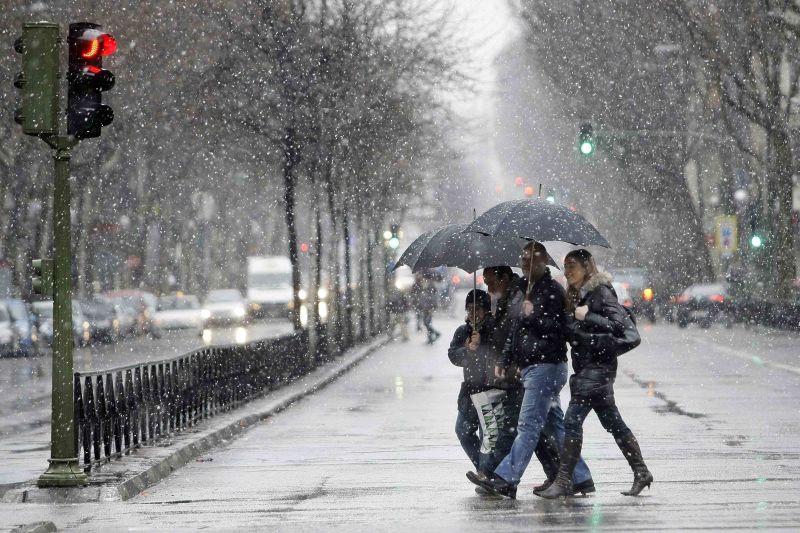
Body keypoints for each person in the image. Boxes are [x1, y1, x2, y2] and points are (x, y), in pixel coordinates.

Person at [467, 243, 594, 499]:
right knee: (556, 426)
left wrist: (532, 315)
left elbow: (558, 329)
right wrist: (504, 359)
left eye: (532, 260)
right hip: (531, 367)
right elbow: (516, 330)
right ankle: (581, 478)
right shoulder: (526, 290)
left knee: (527, 426)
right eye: (523, 260)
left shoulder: (552, 291)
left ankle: (506, 479)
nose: (526, 264)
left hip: (546, 366)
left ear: (544, 261)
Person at [539, 249, 653, 499]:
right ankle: (641, 472)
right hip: (587, 372)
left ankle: (564, 481)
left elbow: (630, 336)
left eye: (573, 266)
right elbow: (578, 332)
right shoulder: (580, 295)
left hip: (596, 373)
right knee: (613, 423)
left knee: (571, 422)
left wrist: (588, 319)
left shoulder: (601, 292)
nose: (567, 271)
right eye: (565, 266)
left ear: (587, 267)